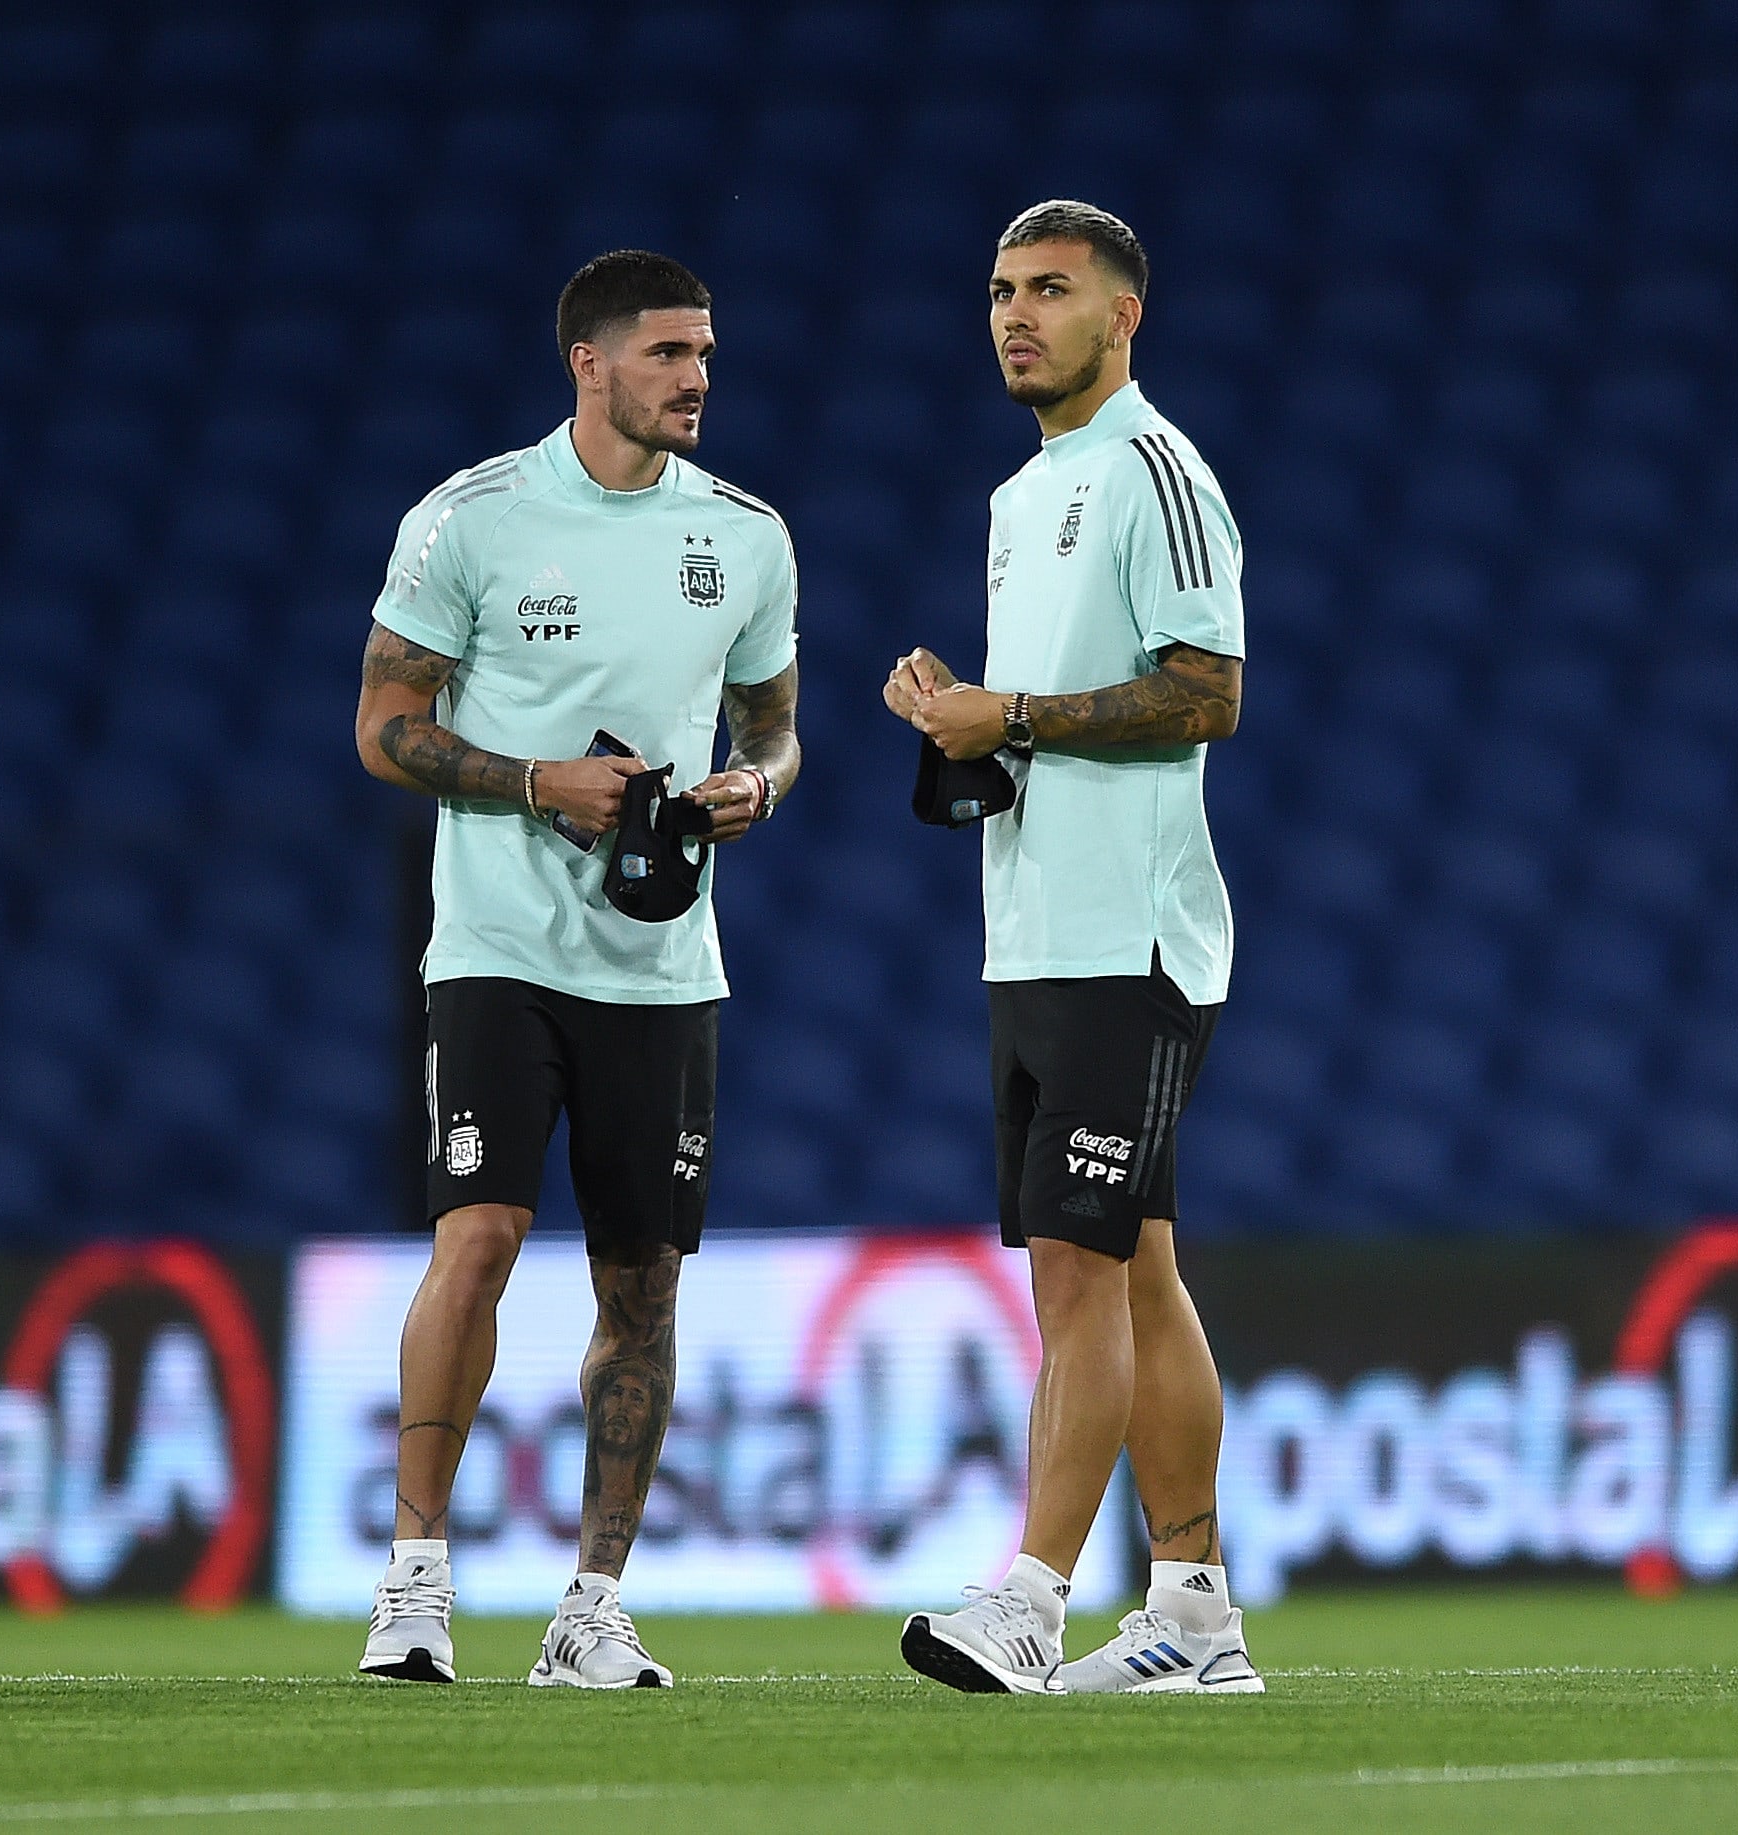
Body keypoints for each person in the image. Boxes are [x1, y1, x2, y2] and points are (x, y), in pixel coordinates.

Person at [350, 249, 800, 1688]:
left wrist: (758, 785)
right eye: (669, 351)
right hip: (494, 948)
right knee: (474, 1237)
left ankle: (590, 1610)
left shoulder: (744, 536)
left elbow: (775, 723)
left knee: (643, 1289)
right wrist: (534, 781)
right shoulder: (471, 519)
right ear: (588, 363)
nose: (698, 377)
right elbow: (383, 725)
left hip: (662, 965)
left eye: (707, 353)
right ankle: (414, 1584)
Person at [885, 201, 1260, 1697]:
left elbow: (1207, 690)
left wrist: (1018, 718)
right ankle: (1189, 1615)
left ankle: (1030, 1598)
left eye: (1049, 289)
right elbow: (1046, 716)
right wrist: (965, 726)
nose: (1014, 315)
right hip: (1032, 927)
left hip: (1131, 937)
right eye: (996, 291)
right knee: (1136, 1267)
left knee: (1078, 1268)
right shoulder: (1017, 495)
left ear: (1124, 315)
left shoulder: (1155, 473)